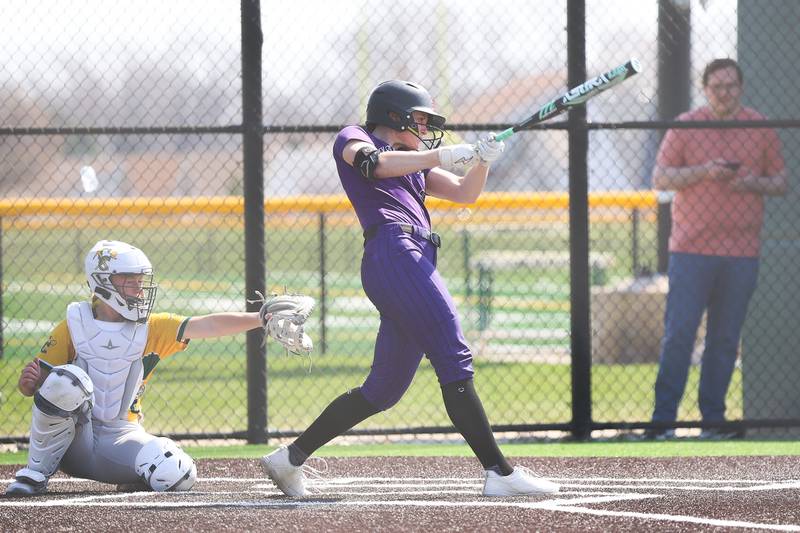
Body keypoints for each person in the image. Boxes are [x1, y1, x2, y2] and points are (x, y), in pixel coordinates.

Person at [260, 80, 560, 497]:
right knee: (454, 357)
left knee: (383, 390)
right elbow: (372, 165)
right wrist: (437, 155)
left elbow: (464, 193)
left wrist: (483, 162)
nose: (424, 127)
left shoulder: (414, 164)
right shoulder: (355, 135)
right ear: (394, 116)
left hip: (407, 258)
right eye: (419, 119)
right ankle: (499, 472)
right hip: (395, 251)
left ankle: (289, 459)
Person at [5, 239, 314, 496]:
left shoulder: (151, 328)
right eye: (130, 281)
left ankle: (132, 475)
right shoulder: (73, 325)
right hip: (73, 441)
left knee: (177, 474)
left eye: (141, 282)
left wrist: (261, 319)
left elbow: (208, 324)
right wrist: (27, 384)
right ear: (102, 281)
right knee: (67, 381)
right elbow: (38, 385)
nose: (139, 290)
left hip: (120, 435)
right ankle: (35, 472)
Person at [647, 58, 787, 440]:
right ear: (705, 89)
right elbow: (660, 177)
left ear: (740, 88)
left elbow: (781, 182)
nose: (724, 93)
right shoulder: (686, 125)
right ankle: (663, 422)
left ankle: (713, 421)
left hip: (742, 252)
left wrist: (750, 181)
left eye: (731, 86)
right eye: (717, 86)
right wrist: (705, 171)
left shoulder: (758, 126)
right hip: (690, 251)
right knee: (679, 334)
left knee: (724, 339)